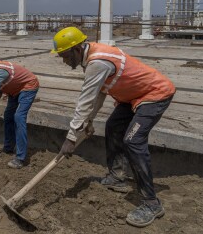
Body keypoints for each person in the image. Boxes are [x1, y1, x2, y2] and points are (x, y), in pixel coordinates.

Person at [52, 27, 175, 228]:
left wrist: (71, 137)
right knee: (113, 126)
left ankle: (152, 204)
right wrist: (89, 122)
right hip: (133, 96)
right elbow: (99, 94)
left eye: (64, 56)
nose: (64, 61)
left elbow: (85, 100)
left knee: (133, 140)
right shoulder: (90, 57)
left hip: (154, 94)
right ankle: (117, 177)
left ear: (75, 48)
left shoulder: (98, 62)